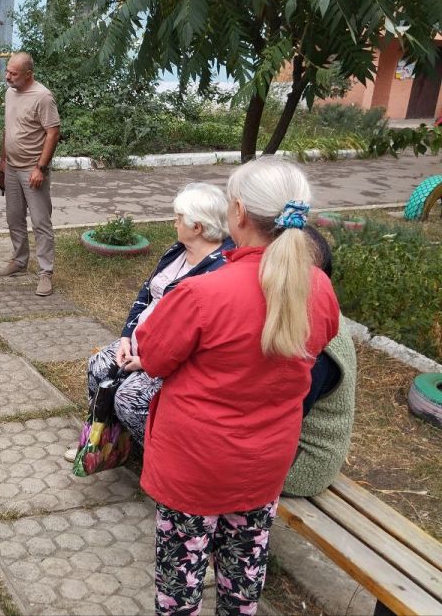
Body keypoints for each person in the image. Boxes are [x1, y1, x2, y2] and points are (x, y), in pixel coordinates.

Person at [134, 157, 340, 615]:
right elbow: (318, 341)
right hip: (264, 465)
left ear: (239, 213)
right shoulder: (319, 289)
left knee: (179, 587)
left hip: (195, 466)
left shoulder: (203, 294)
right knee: (242, 581)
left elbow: (152, 356)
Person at [65, 182, 233, 460]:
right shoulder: (178, 250)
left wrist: (146, 362)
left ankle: (164, 460)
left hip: (170, 359)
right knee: (99, 365)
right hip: (141, 343)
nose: (173, 223)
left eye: (179, 218)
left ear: (198, 227)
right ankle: (100, 445)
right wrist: (126, 337)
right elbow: (146, 292)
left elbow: (197, 337)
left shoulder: (220, 269)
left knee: (129, 397)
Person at [283, 226, 357, 497]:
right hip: (289, 442)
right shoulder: (308, 313)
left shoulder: (318, 347)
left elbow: (284, 414)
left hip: (305, 461)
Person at [0, 52, 61, 297]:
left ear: (28, 74)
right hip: (11, 167)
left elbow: (53, 133)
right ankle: (19, 260)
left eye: (13, 73)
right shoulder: (10, 93)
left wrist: (40, 168)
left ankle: (45, 272)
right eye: (7, 71)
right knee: (14, 218)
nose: (7, 76)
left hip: (33, 170)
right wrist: (2, 161)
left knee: (41, 222)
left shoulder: (43, 97)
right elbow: (8, 129)